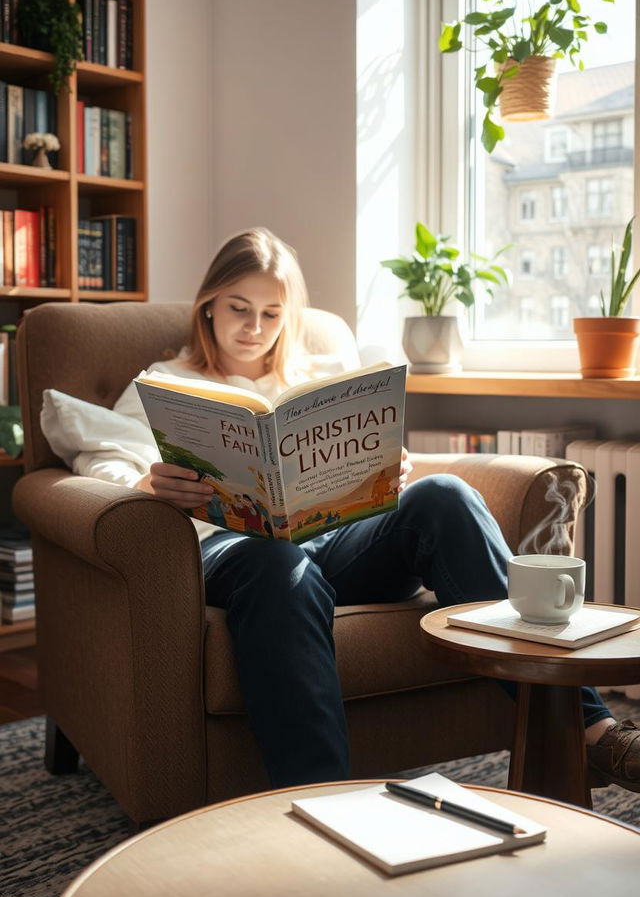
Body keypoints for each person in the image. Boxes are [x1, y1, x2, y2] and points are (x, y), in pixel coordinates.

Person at [81, 227, 640, 793]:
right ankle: (326, 800)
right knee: (278, 563)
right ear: (208, 306)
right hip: (235, 554)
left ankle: (590, 729)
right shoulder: (165, 383)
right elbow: (104, 469)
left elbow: (376, 459)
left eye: (272, 314)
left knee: (444, 495)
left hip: (335, 540)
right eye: (238, 308)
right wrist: (149, 486)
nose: (253, 328)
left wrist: (386, 472)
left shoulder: (321, 378)